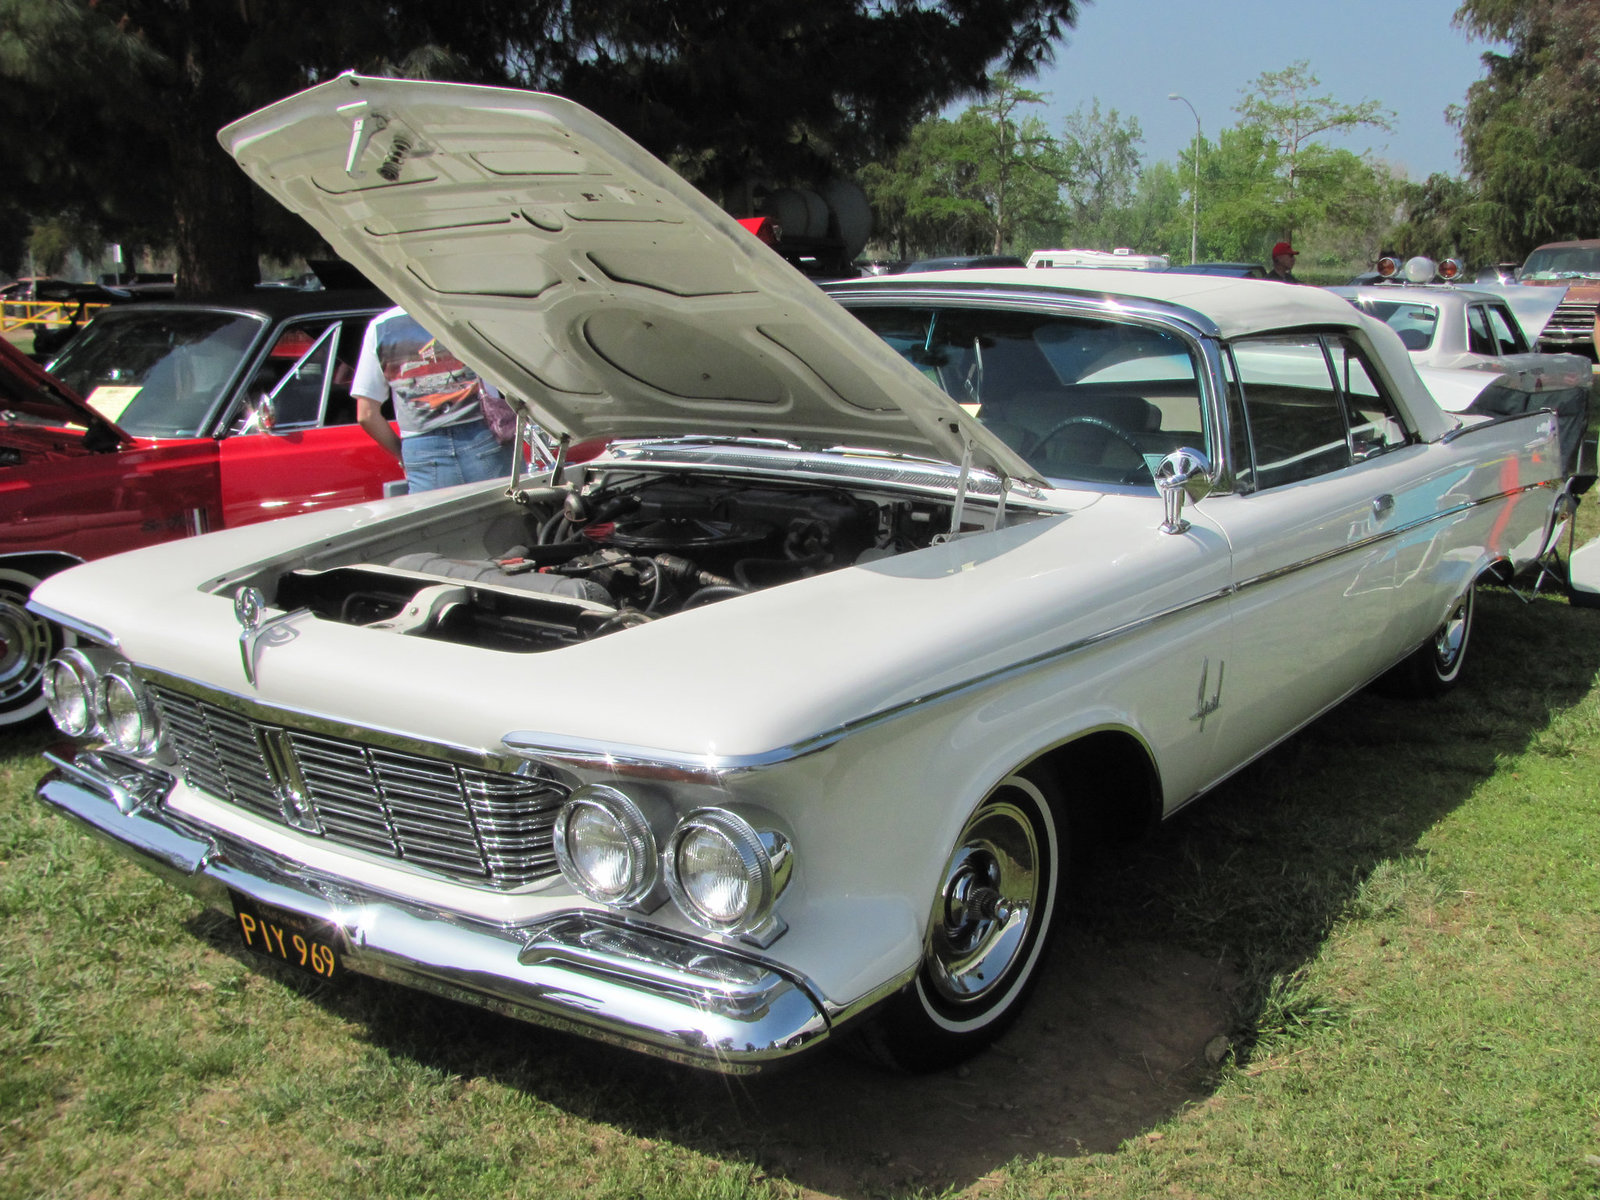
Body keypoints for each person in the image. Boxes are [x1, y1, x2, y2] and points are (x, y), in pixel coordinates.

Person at [351, 306, 515, 492]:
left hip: (421, 447)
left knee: (438, 520)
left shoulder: (380, 327)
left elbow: (366, 415)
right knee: (504, 516)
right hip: (484, 433)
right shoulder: (469, 311)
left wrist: (402, 455)